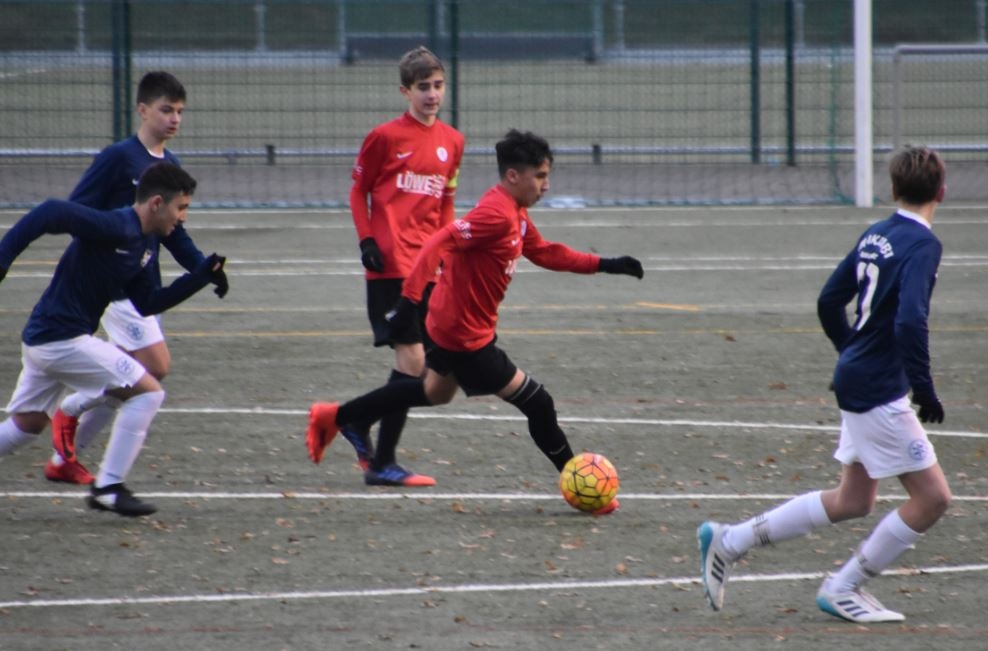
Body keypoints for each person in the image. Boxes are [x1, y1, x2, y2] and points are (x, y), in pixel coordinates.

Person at [305, 129, 643, 508]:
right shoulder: (496, 215)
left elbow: (546, 252)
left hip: (450, 323)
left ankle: (341, 416)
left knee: (434, 392)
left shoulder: (514, 212)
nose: (546, 185)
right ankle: (580, 487)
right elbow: (438, 241)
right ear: (513, 176)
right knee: (538, 403)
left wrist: (606, 264)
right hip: (465, 336)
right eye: (540, 176)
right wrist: (408, 301)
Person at [698, 145, 951, 623]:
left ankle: (729, 541)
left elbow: (828, 301)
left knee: (853, 500)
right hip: (878, 388)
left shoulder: (876, 233)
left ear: (892, 189)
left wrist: (851, 351)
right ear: (941, 191)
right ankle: (843, 587)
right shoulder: (923, 244)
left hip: (860, 378)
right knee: (933, 498)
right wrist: (924, 387)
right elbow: (909, 321)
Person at [0, 162, 228, 516]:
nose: (183, 217)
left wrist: (200, 276)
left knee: (26, 426)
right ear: (156, 203)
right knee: (149, 392)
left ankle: (104, 481)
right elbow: (50, 211)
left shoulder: (145, 241)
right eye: (180, 208)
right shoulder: (115, 226)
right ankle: (108, 486)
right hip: (60, 340)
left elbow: (148, 302)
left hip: (48, 338)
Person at [43, 70, 223, 486]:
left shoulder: (169, 165)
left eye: (179, 112)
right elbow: (77, 211)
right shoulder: (118, 158)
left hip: (143, 282)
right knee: (154, 367)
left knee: (133, 372)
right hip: (118, 284)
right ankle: (70, 412)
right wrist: (114, 246)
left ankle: (64, 457)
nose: (174, 119)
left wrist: (202, 268)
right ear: (142, 110)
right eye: (166, 110)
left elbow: (175, 233)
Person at [340, 46, 465, 481]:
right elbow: (358, 191)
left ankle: (359, 424)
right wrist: (367, 240)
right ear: (405, 91)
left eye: (438, 85)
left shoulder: (453, 142)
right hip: (391, 266)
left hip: (428, 267)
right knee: (413, 365)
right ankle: (381, 461)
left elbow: (445, 203)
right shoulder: (385, 137)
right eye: (423, 87)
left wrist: (448, 255)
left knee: (428, 372)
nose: (432, 94)